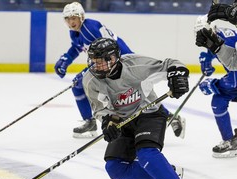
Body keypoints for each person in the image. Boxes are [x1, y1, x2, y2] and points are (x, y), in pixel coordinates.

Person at [82, 37, 200, 179]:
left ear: (113, 58)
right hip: (123, 121)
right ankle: (170, 174)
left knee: (146, 154)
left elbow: (170, 64)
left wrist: (178, 76)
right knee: (115, 169)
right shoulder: (90, 80)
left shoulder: (136, 65)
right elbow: (99, 109)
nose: (97, 66)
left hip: (149, 114)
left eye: (101, 62)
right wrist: (108, 122)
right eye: (94, 62)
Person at [54, 1, 186, 139]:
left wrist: (86, 71)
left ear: (81, 17)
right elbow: (77, 47)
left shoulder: (89, 29)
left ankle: (170, 117)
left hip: (122, 63)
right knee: (80, 86)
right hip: (109, 64)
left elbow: (104, 53)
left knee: (141, 98)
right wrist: (66, 59)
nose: (71, 22)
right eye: (68, 19)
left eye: (73, 18)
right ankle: (90, 121)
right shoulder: (76, 32)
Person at [195, 15, 237, 158]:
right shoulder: (215, 36)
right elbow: (215, 51)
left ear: (211, 29)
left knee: (220, 93)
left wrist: (214, 84)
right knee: (218, 101)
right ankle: (229, 140)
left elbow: (234, 81)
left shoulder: (229, 41)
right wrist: (207, 60)